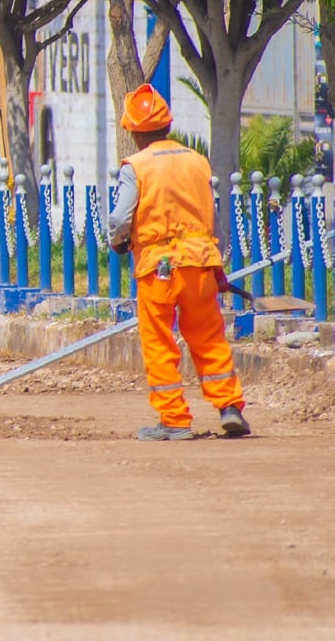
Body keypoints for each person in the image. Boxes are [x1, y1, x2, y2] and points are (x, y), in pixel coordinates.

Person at [107, 83, 251, 441]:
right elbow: (212, 220)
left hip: (158, 268)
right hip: (200, 263)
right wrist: (213, 261)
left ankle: (173, 419)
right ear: (166, 125)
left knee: (158, 341)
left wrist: (118, 241)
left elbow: (120, 216)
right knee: (208, 337)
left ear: (134, 132)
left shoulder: (136, 166)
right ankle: (229, 406)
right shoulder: (196, 161)